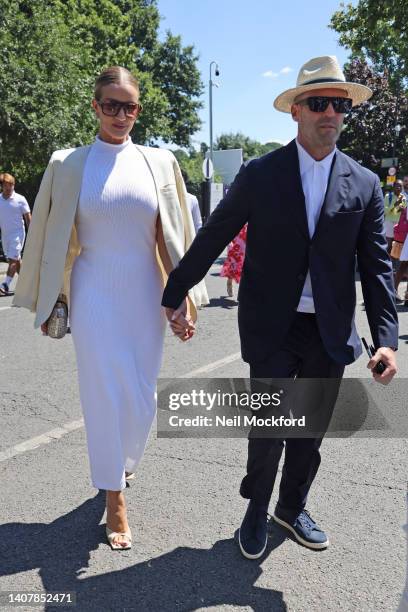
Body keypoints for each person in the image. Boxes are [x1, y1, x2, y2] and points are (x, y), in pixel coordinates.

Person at [162, 55, 398, 560]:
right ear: (296, 110)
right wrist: (175, 290)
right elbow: (214, 235)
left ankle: (291, 508)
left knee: (309, 431)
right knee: (269, 428)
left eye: (339, 104)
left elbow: (377, 268)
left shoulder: (365, 183)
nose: (330, 113)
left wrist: (386, 341)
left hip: (330, 332)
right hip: (273, 324)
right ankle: (256, 507)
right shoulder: (260, 174)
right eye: (319, 103)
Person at [13, 66, 207, 551]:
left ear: (139, 110)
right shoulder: (69, 163)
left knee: (141, 395)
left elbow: (169, 238)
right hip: (93, 287)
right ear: (95, 106)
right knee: (101, 391)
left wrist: (179, 298)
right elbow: (50, 239)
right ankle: (113, 496)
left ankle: (122, 463)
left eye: (130, 106)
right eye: (112, 105)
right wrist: (50, 299)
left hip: (145, 290)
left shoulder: (159, 162)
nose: (121, 115)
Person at [0, 173, 31, 295]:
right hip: (5, 235)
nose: (9, 188)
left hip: (18, 234)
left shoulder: (20, 199)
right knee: (16, 260)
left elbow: (28, 218)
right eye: (6, 185)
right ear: (2, 186)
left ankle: (5, 284)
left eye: (11, 185)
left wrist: (33, 235)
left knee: (13, 260)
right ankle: (28, 285)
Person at [220, 224, 247, 297]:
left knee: (244, 265)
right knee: (233, 263)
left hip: (245, 236)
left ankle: (243, 290)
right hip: (235, 239)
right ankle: (229, 281)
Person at [384, 180, 406, 253]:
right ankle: (386, 259)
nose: (399, 188)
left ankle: (395, 260)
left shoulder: (405, 197)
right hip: (389, 222)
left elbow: (405, 211)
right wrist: (395, 204)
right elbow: (385, 211)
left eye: (400, 186)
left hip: (400, 223)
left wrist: (403, 210)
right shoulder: (388, 196)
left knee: (398, 244)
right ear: (393, 187)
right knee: (388, 243)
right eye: (397, 186)